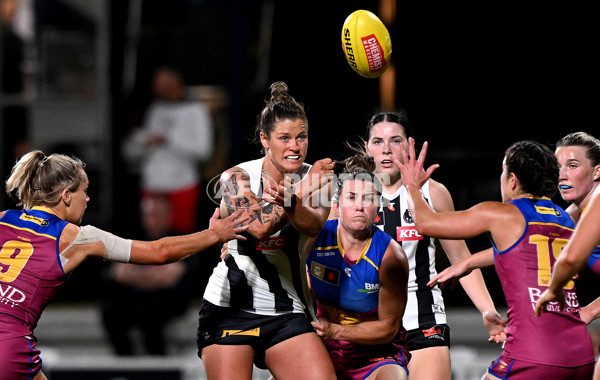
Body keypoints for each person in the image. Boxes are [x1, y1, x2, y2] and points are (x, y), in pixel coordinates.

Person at [0, 150, 249, 380]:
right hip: (10, 344)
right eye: (84, 191)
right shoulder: (77, 237)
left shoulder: (3, 219)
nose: (87, 199)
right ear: (66, 196)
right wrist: (214, 234)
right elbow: (159, 252)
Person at [398, 138, 595, 379]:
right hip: (580, 354)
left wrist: (412, 187)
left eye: (503, 172)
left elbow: (426, 223)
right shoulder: (564, 218)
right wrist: (468, 263)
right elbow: (523, 249)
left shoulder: (500, 213)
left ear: (512, 180)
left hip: (532, 354)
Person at [197, 81, 337, 380]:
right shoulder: (237, 176)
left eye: (302, 137)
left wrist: (296, 195)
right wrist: (302, 187)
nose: (295, 146)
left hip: (287, 307)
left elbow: (312, 225)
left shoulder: (319, 178)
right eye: (284, 138)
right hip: (230, 308)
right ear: (264, 139)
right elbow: (258, 227)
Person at [363, 110, 506, 379]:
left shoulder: (433, 192)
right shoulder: (352, 194)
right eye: (377, 142)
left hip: (424, 314)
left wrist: (487, 310)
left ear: (409, 146)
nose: (386, 150)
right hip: (367, 318)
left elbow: (460, 258)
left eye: (395, 141)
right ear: (367, 146)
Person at [305, 152, 411, 379]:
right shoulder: (314, 239)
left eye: (368, 199)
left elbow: (388, 328)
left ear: (378, 208)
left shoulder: (391, 257)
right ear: (336, 205)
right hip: (323, 349)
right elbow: (275, 252)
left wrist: (336, 331)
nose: (360, 206)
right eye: (351, 197)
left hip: (375, 355)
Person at [122, 65, 214, 234]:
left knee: (182, 241)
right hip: (153, 186)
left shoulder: (196, 110)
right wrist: (145, 143)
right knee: (152, 241)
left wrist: (168, 140)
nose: (158, 88)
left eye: (163, 83)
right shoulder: (155, 108)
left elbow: (203, 151)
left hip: (181, 185)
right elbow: (140, 145)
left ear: (176, 83)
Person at [100, 194, 192, 356]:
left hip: (168, 300)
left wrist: (138, 273)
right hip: (137, 298)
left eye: (157, 215)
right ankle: (124, 362)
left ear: (168, 215)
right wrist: (154, 274)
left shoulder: (182, 239)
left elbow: (171, 277)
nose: (151, 220)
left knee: (151, 314)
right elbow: (118, 272)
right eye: (148, 215)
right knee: (112, 309)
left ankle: (158, 366)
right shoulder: (134, 239)